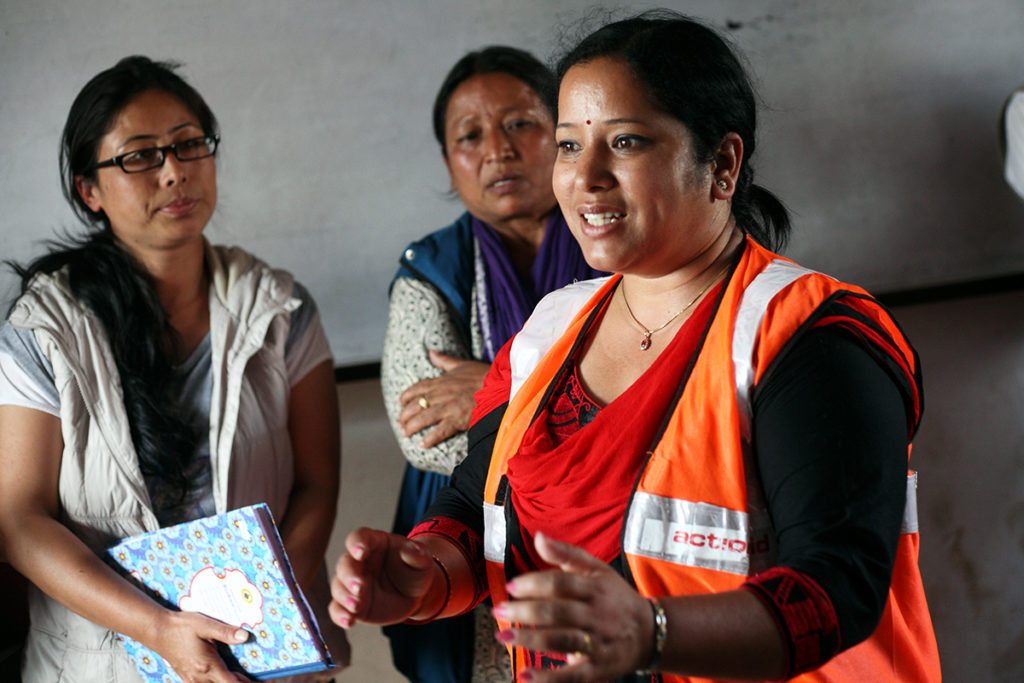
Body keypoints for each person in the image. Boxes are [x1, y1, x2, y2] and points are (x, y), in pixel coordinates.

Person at [333, 11, 941, 682]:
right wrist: (425, 574)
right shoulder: (547, 334)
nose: (586, 176)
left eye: (624, 142)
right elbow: (479, 511)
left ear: (722, 163)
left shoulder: (808, 336)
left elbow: (833, 589)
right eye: (568, 145)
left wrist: (652, 633)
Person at [0, 56, 348, 682]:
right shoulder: (44, 329)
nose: (174, 172)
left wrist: (260, 615)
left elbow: (317, 484)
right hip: (103, 661)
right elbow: (18, 521)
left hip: (260, 658)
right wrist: (158, 629)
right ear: (90, 190)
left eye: (190, 145)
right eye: (139, 156)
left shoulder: (279, 308)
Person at [380, 45, 604, 682]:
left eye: (520, 124)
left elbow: (672, 392)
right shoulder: (429, 272)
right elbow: (423, 434)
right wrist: (589, 417)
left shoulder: (619, 233)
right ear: (451, 167)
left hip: (615, 545)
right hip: (475, 556)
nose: (497, 150)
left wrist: (494, 388)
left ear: (565, 138)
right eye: (469, 136)